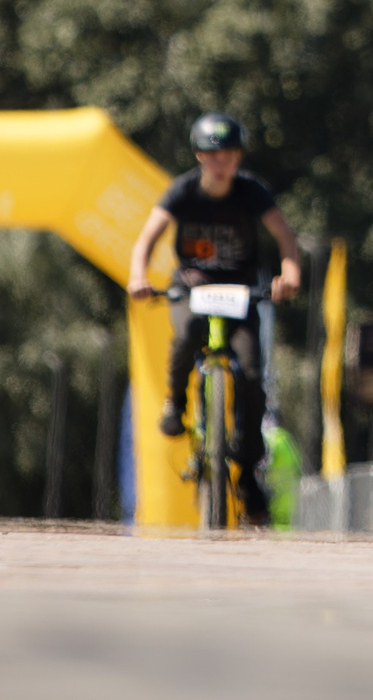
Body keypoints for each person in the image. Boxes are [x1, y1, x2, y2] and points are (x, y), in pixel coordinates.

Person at [126, 112, 302, 529]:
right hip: (192, 285)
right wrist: (138, 276)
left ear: (238, 158)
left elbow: (285, 237)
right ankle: (176, 401)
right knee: (188, 332)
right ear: (199, 157)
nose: (220, 164)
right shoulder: (183, 191)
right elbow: (147, 238)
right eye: (212, 156)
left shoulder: (251, 192)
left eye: (228, 156)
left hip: (240, 290)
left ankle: (247, 468)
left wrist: (290, 274)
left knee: (253, 374)